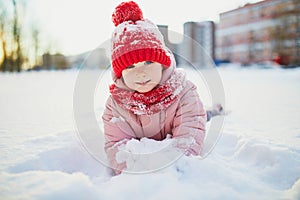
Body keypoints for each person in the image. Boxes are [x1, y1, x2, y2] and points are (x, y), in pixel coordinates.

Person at [102, 1, 222, 174]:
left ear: (162, 64)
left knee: (203, 114)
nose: (141, 73)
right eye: (130, 67)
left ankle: (214, 110)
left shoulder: (183, 91)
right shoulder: (116, 104)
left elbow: (190, 135)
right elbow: (115, 144)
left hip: (187, 115)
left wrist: (172, 166)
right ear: (119, 73)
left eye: (149, 62)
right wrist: (133, 169)